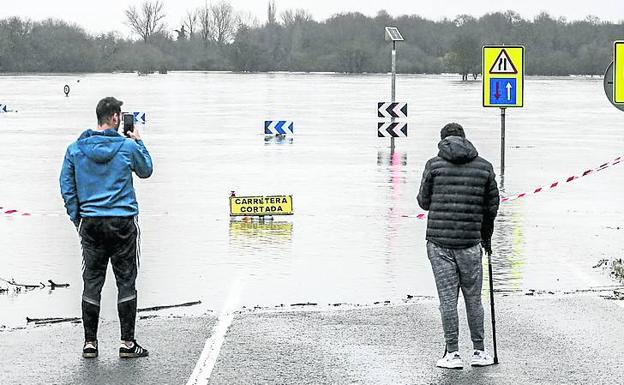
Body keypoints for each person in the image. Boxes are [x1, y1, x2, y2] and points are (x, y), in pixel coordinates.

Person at [60, 97, 153, 359]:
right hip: (122, 222)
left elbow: (66, 186)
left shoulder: (75, 149)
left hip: (90, 223)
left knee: (91, 282)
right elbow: (146, 170)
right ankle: (127, 343)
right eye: (120, 116)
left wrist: (77, 217)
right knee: (126, 281)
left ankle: (90, 343)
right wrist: (138, 140)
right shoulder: (126, 146)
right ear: (114, 118)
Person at [417, 123, 499, 369]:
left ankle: (452, 353)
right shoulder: (485, 167)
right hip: (470, 243)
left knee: (447, 300)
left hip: (439, 244)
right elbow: (491, 208)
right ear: (465, 139)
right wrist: (485, 238)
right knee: (474, 299)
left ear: (443, 140)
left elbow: (423, 202)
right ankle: (479, 351)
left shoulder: (433, 165)